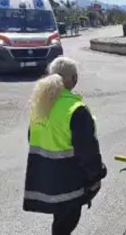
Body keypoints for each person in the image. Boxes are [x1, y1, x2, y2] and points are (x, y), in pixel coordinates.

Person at [23, 56, 106, 235]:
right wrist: (97, 174)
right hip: (69, 182)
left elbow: (32, 137)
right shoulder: (76, 109)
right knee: (65, 225)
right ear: (73, 79)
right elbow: (87, 151)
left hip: (44, 177)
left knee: (60, 223)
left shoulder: (40, 105)